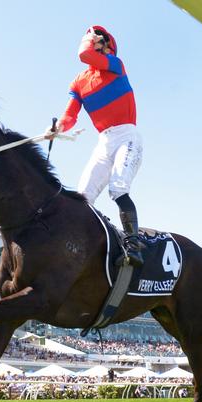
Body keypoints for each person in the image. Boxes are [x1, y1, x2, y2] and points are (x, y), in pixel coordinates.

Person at [48, 25, 144, 267]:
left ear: (108, 46)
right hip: (104, 141)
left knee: (118, 187)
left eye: (99, 40)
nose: (94, 43)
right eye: (93, 39)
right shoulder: (79, 82)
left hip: (127, 136)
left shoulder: (115, 64)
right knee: (82, 198)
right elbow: (70, 116)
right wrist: (58, 127)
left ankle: (134, 244)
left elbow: (85, 55)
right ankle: (78, 243)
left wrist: (88, 39)